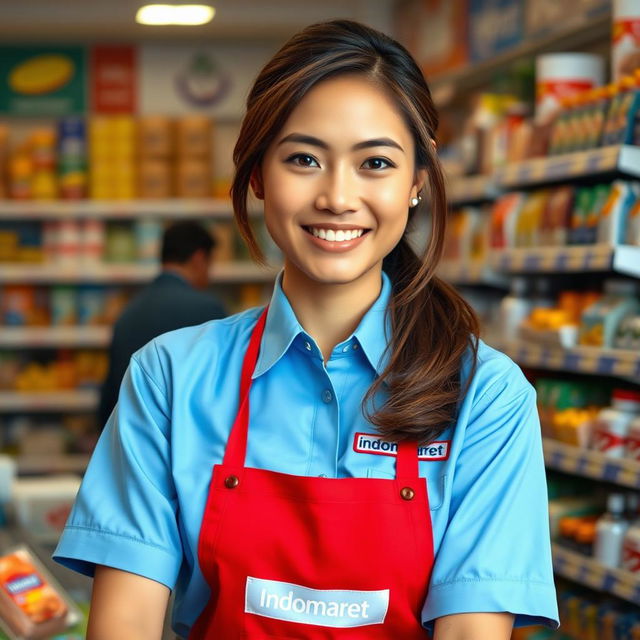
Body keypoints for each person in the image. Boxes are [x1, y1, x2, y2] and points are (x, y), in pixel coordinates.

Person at [54, 20, 560, 639]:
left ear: (417, 184)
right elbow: (124, 623)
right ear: (259, 175)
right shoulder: (169, 377)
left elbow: (471, 631)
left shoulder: (484, 395)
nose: (338, 197)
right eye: (304, 159)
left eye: (375, 162)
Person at [98, 220, 226, 426]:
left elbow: (109, 396)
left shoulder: (128, 312)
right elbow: (221, 392)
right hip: (185, 439)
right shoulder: (207, 309)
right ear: (199, 259)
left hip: (134, 437)